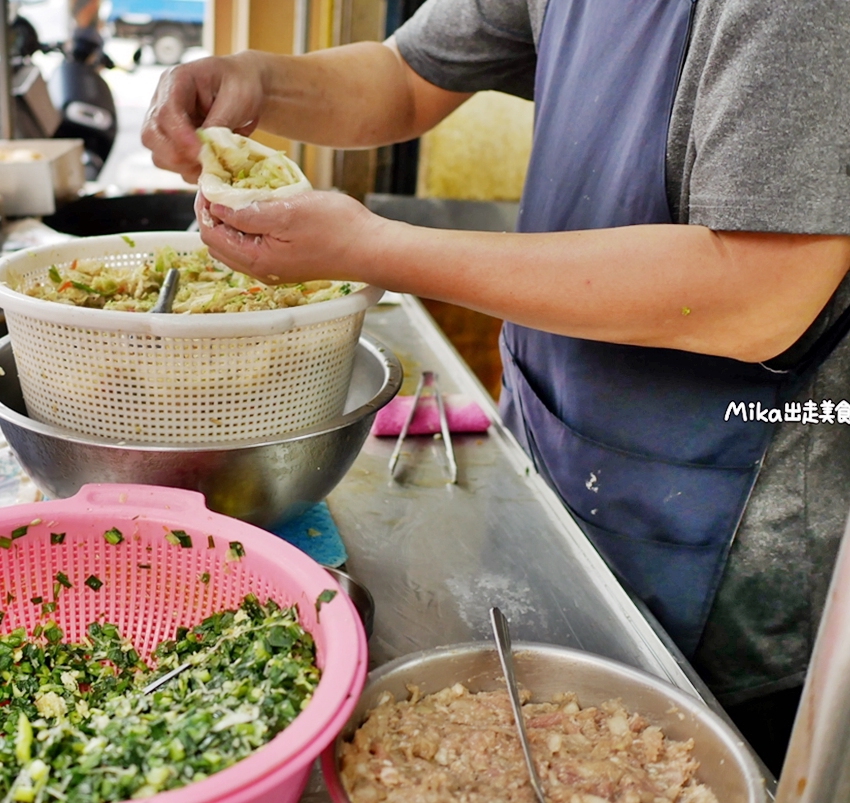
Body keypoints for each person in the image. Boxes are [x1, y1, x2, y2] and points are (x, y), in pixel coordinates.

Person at [141, 0, 850, 775]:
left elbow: (761, 293)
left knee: (665, 763)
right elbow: (407, 78)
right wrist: (254, 79)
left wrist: (377, 249)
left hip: (729, 507)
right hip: (554, 432)